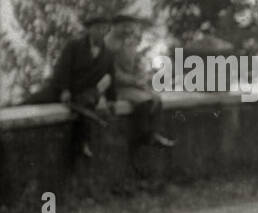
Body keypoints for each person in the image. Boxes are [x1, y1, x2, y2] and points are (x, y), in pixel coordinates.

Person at [36, 12, 116, 161]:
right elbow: (62, 69)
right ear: (90, 29)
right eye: (98, 28)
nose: (101, 32)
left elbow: (111, 77)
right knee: (30, 103)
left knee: (86, 105)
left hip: (86, 94)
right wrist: (65, 89)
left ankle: (82, 144)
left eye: (105, 29)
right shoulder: (74, 45)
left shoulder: (108, 54)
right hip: (62, 90)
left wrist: (112, 99)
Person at [104, 11, 174, 150]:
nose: (128, 30)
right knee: (144, 102)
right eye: (124, 26)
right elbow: (111, 73)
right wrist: (133, 81)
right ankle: (141, 137)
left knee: (156, 99)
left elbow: (136, 62)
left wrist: (141, 76)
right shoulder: (108, 45)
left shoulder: (130, 42)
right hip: (114, 87)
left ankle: (153, 133)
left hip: (130, 84)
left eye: (130, 26)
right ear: (115, 26)